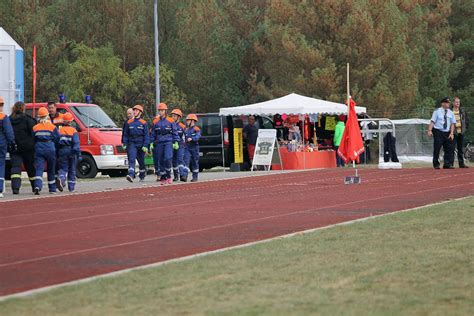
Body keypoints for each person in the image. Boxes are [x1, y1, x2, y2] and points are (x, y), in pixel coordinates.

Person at [9, 101, 37, 194]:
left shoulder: (9, 119)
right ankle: (34, 186)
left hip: (14, 147)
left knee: (15, 168)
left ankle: (15, 188)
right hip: (27, 148)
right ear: (23, 108)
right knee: (30, 167)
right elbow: (34, 132)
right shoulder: (28, 119)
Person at [33, 107, 60, 195]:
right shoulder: (52, 127)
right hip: (50, 148)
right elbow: (57, 138)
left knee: (39, 168)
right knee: (51, 169)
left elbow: (33, 139)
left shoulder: (35, 128)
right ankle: (52, 189)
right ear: (47, 116)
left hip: (39, 148)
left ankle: (37, 186)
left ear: (39, 117)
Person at [122, 105, 150, 183]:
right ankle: (131, 175)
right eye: (134, 110)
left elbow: (147, 135)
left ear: (140, 112)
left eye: (136, 110)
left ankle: (142, 174)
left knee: (141, 161)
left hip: (141, 143)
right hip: (132, 143)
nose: (134, 112)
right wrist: (125, 143)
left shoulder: (144, 123)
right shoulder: (128, 122)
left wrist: (145, 145)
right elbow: (125, 134)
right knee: (131, 159)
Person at [151, 103, 176, 185]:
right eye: (159, 110)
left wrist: (176, 141)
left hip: (168, 141)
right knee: (160, 160)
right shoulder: (155, 121)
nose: (160, 112)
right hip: (159, 142)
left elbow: (174, 132)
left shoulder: (171, 121)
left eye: (162, 110)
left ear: (165, 111)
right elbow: (153, 133)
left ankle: (169, 175)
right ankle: (163, 177)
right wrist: (151, 142)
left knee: (167, 158)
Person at [428, 97, 456, 169]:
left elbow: (452, 123)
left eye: (448, 103)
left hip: (447, 132)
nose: (448, 104)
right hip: (438, 132)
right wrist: (430, 130)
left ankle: (447, 164)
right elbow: (433, 121)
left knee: (448, 149)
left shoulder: (451, 112)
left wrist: (452, 133)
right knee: (437, 148)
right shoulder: (437, 111)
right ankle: (436, 163)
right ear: (442, 103)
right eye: (446, 103)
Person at [56, 113, 81, 192]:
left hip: (62, 151)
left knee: (63, 168)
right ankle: (71, 188)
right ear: (71, 121)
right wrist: (78, 154)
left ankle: (61, 178)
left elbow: (56, 142)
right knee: (72, 169)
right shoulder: (74, 131)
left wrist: (57, 153)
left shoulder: (59, 130)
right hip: (71, 151)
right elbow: (76, 144)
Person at [0, 97, 16, 198]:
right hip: (1, 144)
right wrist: (12, 143)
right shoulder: (3, 117)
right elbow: (9, 132)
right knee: (1, 165)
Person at [181, 114, 201, 182]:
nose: (187, 122)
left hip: (194, 147)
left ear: (193, 121)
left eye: (188, 120)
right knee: (186, 160)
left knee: (194, 162)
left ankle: (195, 177)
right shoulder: (186, 129)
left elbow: (198, 136)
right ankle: (184, 175)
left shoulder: (196, 129)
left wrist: (192, 138)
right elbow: (183, 137)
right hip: (187, 147)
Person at [452, 97, 469, 168]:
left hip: (461, 132)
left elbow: (467, 120)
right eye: (456, 102)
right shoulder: (450, 111)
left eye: (458, 102)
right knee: (451, 148)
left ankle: (461, 164)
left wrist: (465, 128)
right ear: (453, 103)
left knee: (460, 149)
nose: (458, 103)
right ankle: (450, 163)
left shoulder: (462, 111)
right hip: (453, 132)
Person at [171, 108, 186, 182]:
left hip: (180, 145)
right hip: (172, 145)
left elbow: (185, 136)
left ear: (178, 117)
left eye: (174, 116)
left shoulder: (182, 126)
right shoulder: (170, 125)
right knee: (174, 161)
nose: (173, 117)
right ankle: (175, 176)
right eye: (172, 116)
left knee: (180, 159)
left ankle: (182, 175)